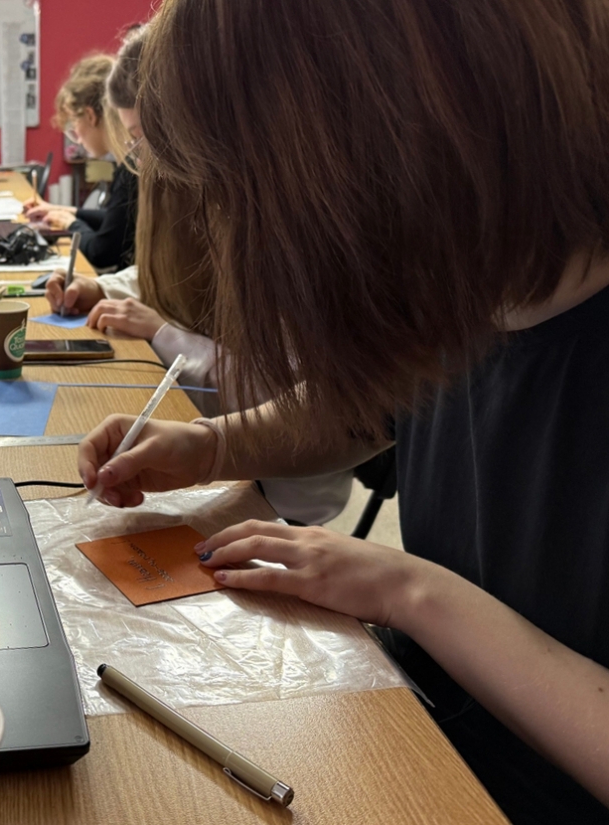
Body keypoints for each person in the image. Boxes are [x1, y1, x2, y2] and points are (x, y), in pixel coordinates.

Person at [80, 1, 609, 821]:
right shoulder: (474, 275)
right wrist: (206, 445)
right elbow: (365, 411)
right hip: (422, 730)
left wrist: (414, 592)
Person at [48, 28, 351, 526]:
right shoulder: (207, 198)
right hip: (223, 448)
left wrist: (165, 336)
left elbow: (302, 396)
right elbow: (173, 278)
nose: (146, 162)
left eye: (145, 140)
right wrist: (103, 287)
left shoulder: (288, 230)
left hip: (279, 491)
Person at [23, 55, 137, 271]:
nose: (77, 136)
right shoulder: (130, 163)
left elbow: (102, 252)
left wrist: (70, 224)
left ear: (90, 116)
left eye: (74, 122)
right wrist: (59, 210)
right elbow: (116, 221)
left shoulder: (132, 171)